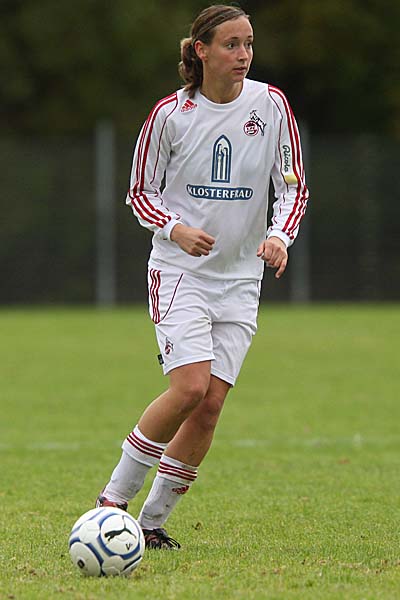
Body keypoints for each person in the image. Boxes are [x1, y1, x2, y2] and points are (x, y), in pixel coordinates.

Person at [96, 4, 309, 549]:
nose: (244, 55)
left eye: (249, 44)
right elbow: (140, 193)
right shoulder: (171, 115)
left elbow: (293, 187)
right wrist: (176, 230)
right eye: (232, 44)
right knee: (190, 387)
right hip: (180, 272)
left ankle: (150, 524)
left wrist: (278, 237)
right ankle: (112, 503)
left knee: (210, 405)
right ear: (201, 50)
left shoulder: (271, 105)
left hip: (240, 281)